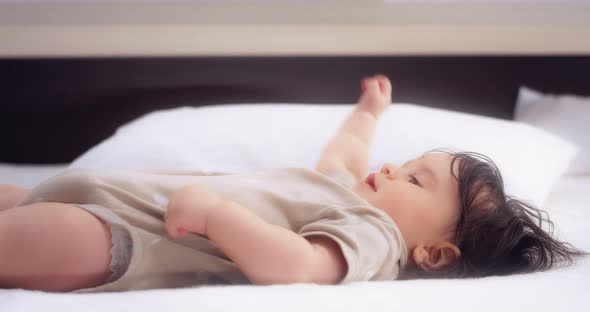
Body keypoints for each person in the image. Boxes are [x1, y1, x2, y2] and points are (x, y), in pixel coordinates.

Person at [0, 75, 584, 293]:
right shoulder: (337, 190)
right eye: (402, 162)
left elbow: (298, 267)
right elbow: (347, 150)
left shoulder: (372, 237)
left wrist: (214, 215)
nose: (388, 169)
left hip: (118, 237)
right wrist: (369, 112)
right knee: (19, 202)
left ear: (433, 253)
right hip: (101, 195)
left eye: (413, 179)